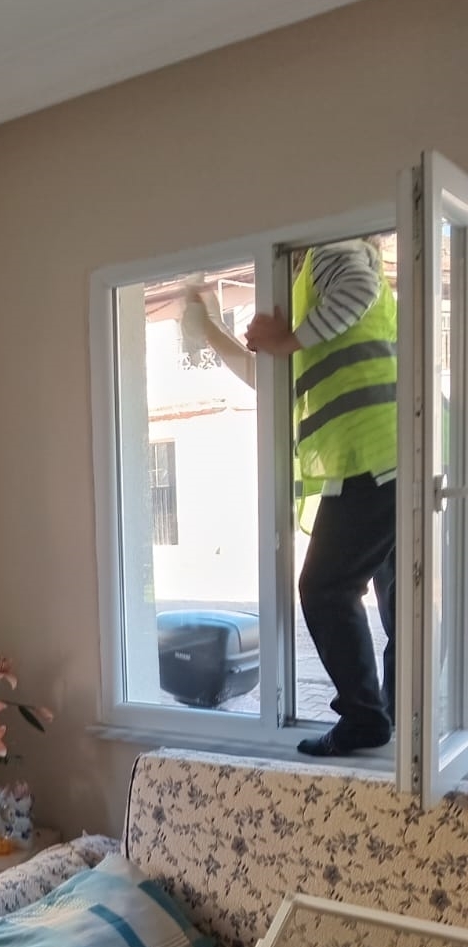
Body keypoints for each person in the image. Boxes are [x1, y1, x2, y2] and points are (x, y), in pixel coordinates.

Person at [188, 239, 397, 756]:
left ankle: (367, 718)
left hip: (377, 453)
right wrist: (211, 329)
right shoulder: (307, 297)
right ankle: (393, 715)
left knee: (326, 587)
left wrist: (286, 338)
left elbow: (357, 288)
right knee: (399, 598)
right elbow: (271, 379)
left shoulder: (332, 248)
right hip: (389, 456)